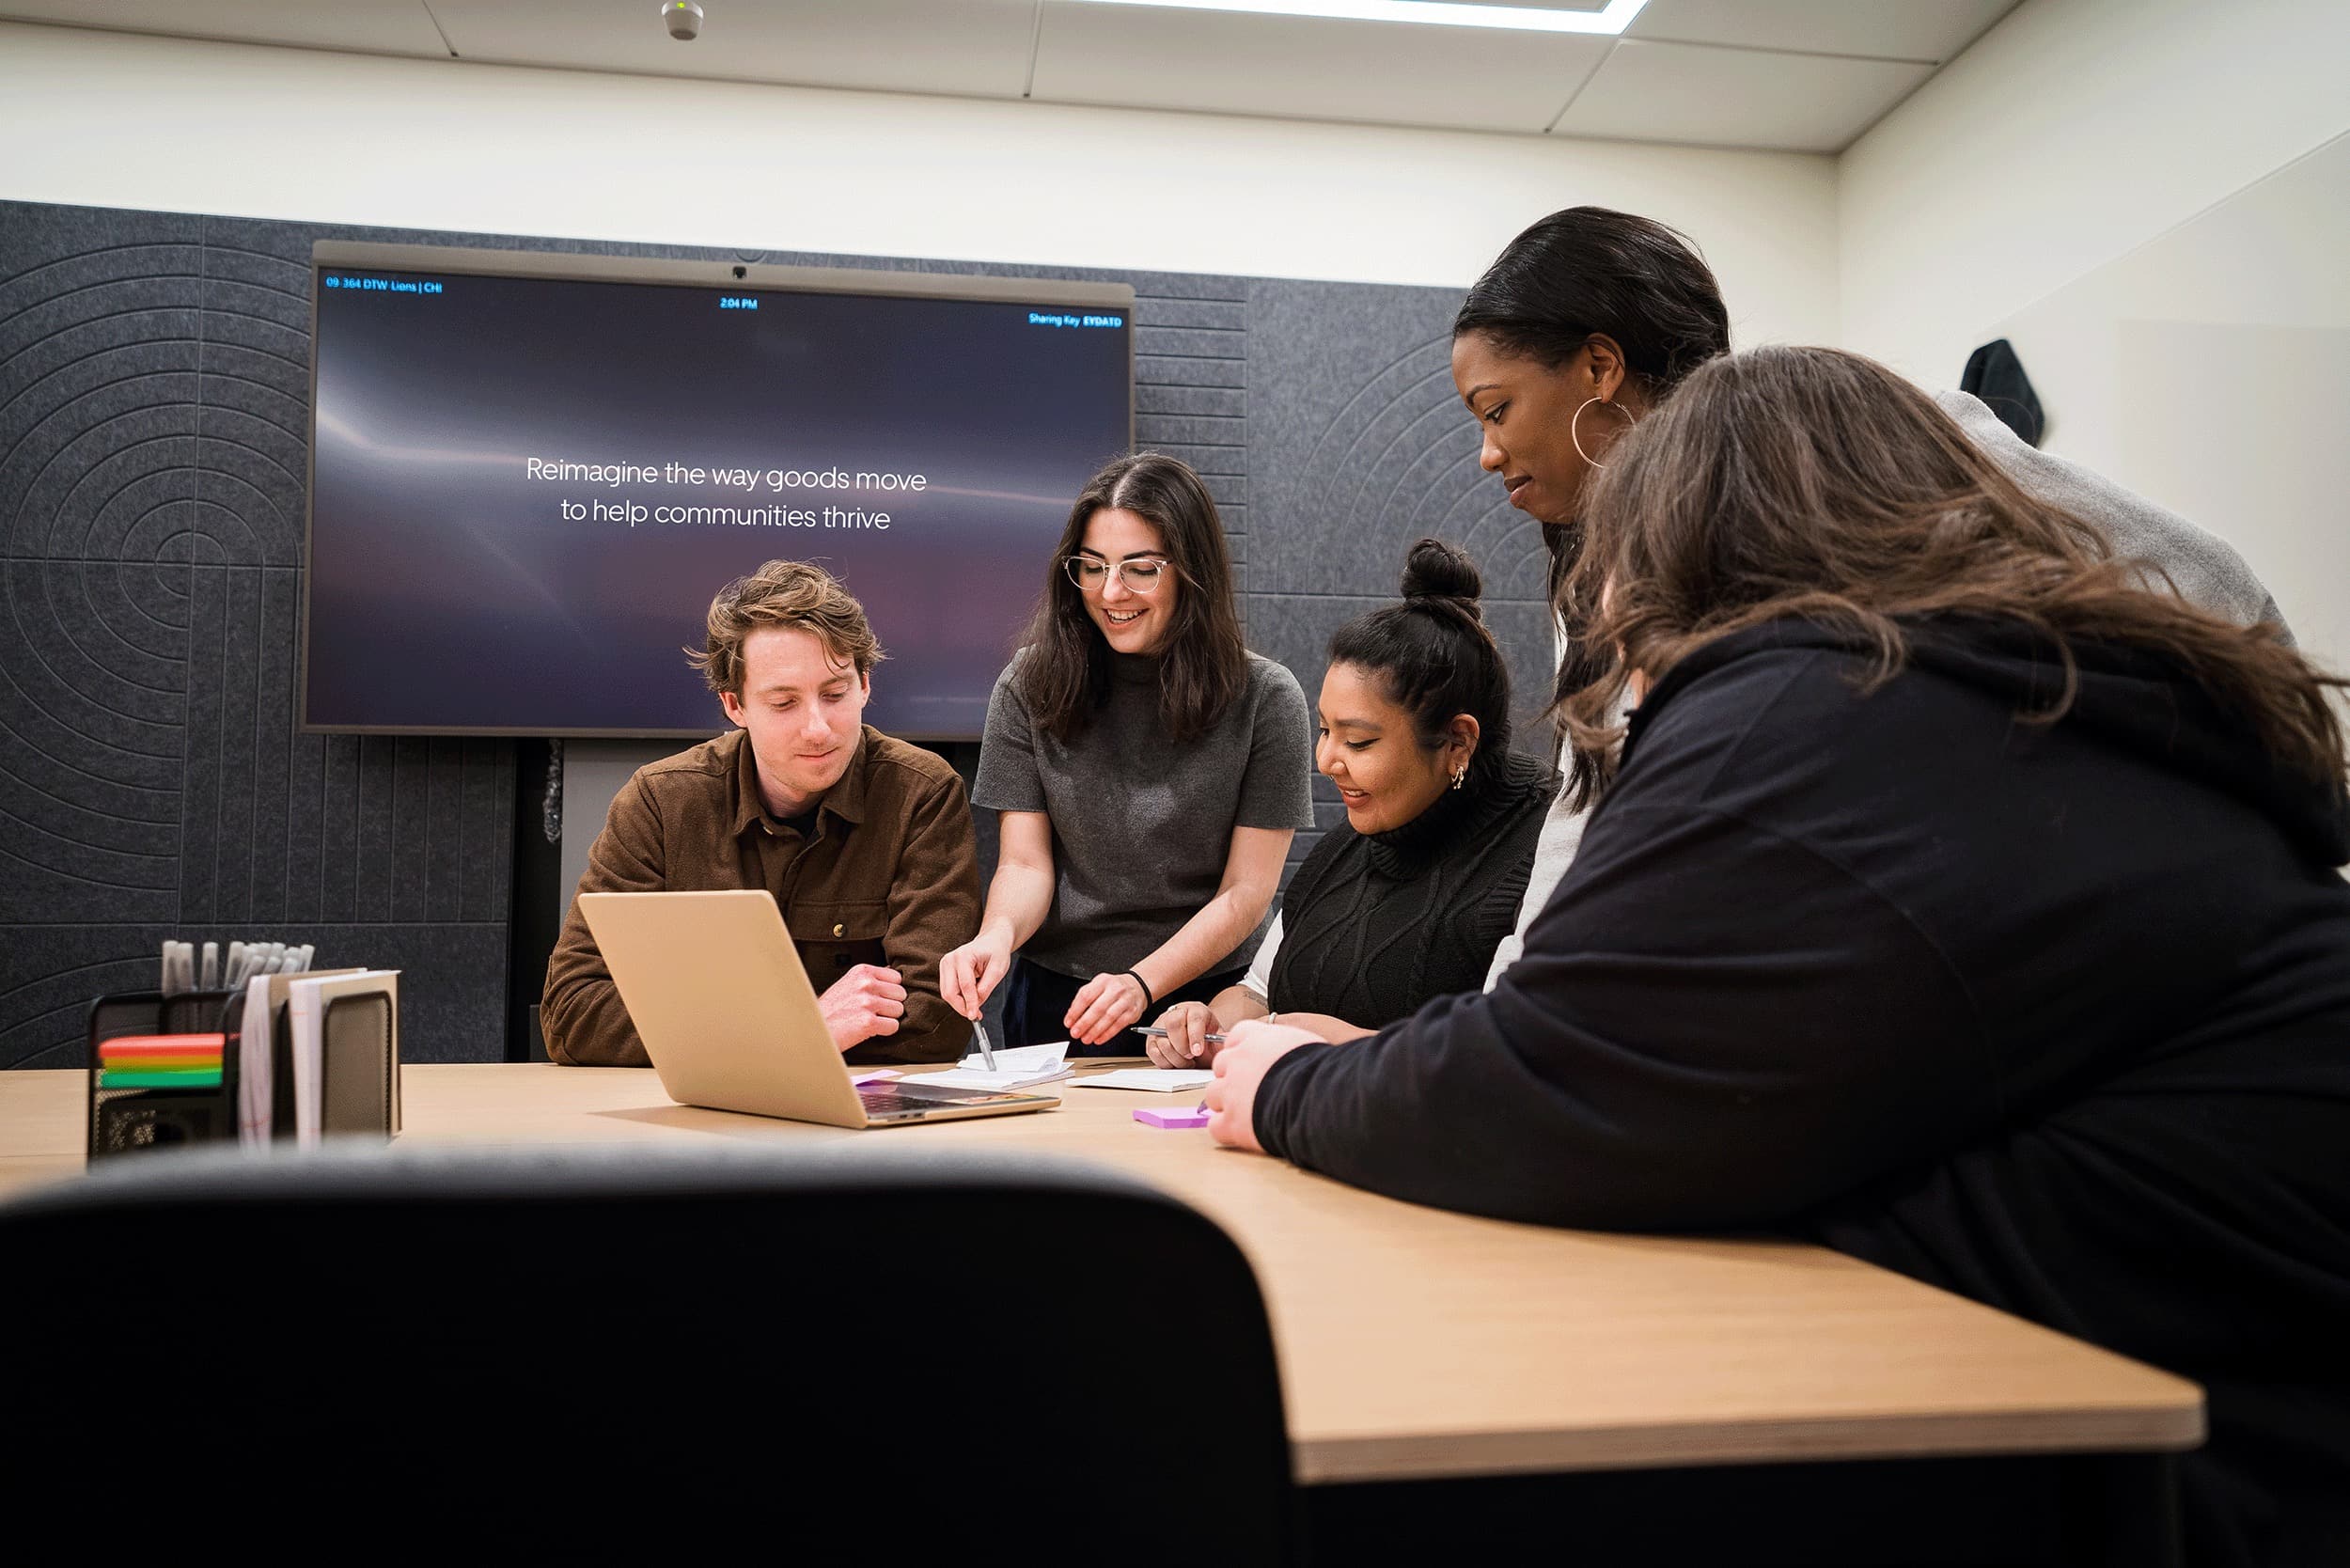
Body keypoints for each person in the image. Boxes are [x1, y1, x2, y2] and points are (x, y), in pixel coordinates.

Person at [1206, 347, 2350, 1566]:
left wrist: (1283, 1089)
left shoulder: (1826, 700)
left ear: (1682, 538)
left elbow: (1561, 1083)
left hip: (2197, 1481)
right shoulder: (2013, 692)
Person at [1452, 206, 2294, 989]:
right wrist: (1508, 1011)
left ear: (1600, 366)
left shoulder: (1862, 441)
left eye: (1498, 410)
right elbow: (1586, 818)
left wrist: (2281, 805)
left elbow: (2206, 582)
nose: (1489, 453)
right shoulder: (1602, 578)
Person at [942, 452, 1314, 1050]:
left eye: (1141, 569)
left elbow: (1247, 892)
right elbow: (1025, 864)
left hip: (1205, 999)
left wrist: (1144, 983)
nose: (1111, 592)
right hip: (1061, 998)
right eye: (1092, 567)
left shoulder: (1267, 699)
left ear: (1193, 571)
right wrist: (997, 935)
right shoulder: (1030, 684)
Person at [542, 559, 980, 1066]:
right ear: (735, 706)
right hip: (701, 1121)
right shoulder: (661, 802)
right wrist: (805, 1030)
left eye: (835, 694)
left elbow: (937, 1020)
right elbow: (573, 1012)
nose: (818, 728)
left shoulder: (921, 794)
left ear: (865, 685)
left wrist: (709, 1036)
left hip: (861, 1124)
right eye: (783, 703)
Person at [1144, 539, 1556, 1065]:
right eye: (1324, 731)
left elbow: (1522, 1056)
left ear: (1458, 742)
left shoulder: (1547, 850)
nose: (1327, 761)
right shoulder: (1348, 846)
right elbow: (1257, 993)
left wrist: (1339, 1046)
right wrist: (1208, 1024)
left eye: (1358, 742)